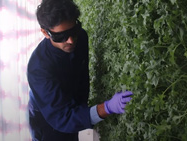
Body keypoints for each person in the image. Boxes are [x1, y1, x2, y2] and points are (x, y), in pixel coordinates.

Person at [27, 0, 133, 140]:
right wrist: (105, 108)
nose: (71, 40)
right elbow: (61, 117)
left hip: (70, 102)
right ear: (45, 33)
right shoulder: (38, 68)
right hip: (48, 117)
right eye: (61, 36)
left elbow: (81, 77)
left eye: (73, 31)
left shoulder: (81, 37)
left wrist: (85, 112)